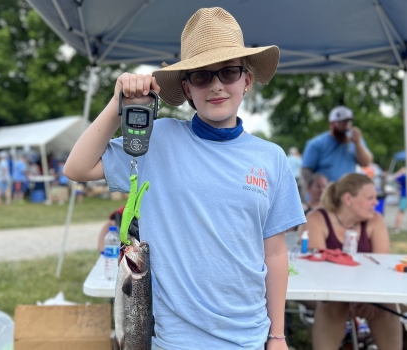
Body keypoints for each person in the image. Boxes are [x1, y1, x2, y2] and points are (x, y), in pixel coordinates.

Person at [64, 7, 305, 350]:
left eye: (229, 72)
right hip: (174, 339)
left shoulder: (272, 159)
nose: (217, 85)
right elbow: (77, 168)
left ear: (247, 80)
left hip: (248, 336)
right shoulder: (156, 140)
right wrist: (117, 104)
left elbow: (276, 254)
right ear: (188, 88)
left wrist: (277, 335)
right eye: (202, 76)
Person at [305, 173, 402, 350]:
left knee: (386, 304)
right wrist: (351, 297)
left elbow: (381, 266)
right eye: (370, 198)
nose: (375, 202)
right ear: (348, 198)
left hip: (365, 290)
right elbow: (316, 269)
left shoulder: (375, 220)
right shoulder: (317, 219)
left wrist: (366, 297)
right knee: (334, 303)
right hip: (324, 291)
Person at [301, 106, 372, 194]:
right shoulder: (317, 143)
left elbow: (366, 163)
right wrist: (314, 188)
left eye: (348, 122)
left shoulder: (355, 141)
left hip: (346, 194)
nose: (345, 126)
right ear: (331, 124)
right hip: (323, 195)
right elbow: (306, 170)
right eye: (341, 122)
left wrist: (358, 144)